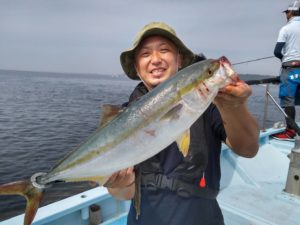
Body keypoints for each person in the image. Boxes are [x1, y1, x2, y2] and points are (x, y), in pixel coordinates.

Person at [105, 22, 259, 225]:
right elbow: (123, 194)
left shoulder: (209, 104)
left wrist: (234, 106)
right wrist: (119, 184)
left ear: (179, 60)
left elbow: (248, 149)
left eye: (164, 50)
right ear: (136, 67)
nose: (156, 60)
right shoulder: (122, 119)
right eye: (145, 54)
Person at [272, 0, 300, 141]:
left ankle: (290, 131)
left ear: (291, 12)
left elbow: (277, 51)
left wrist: (285, 58)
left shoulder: (286, 29)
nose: (285, 15)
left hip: (290, 68)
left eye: (286, 12)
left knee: (288, 101)